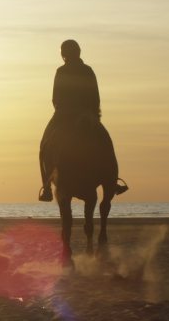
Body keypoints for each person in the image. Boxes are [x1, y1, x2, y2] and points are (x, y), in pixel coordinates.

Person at [38, 39, 127, 201]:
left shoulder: (62, 71)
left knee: (44, 145)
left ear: (64, 54)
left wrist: (62, 111)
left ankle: (46, 188)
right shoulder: (88, 70)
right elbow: (96, 97)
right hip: (87, 114)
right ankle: (112, 180)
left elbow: (55, 98)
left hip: (64, 114)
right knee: (105, 142)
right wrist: (94, 117)